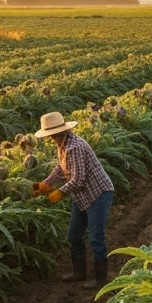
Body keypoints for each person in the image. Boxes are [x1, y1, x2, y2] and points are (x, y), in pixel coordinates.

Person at [34, 111, 115, 286]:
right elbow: (60, 167)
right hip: (81, 195)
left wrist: (60, 192)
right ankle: (79, 272)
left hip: (98, 193)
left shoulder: (75, 147)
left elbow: (79, 179)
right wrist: (46, 184)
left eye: (53, 134)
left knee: (96, 237)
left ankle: (101, 279)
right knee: (73, 235)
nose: (51, 138)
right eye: (50, 135)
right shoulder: (62, 144)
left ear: (62, 130)